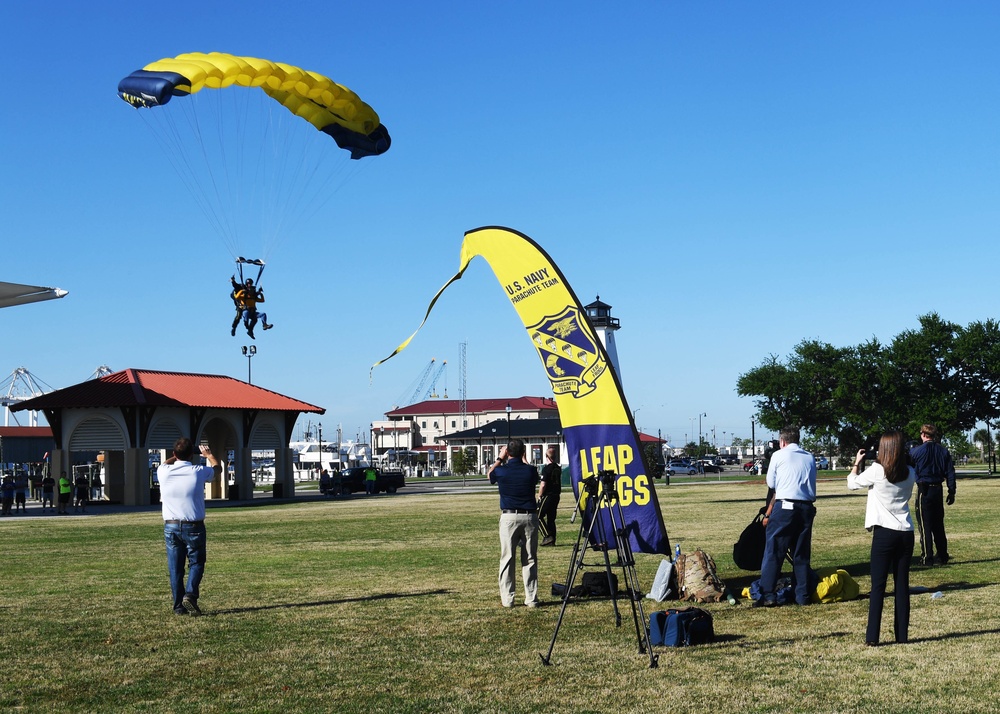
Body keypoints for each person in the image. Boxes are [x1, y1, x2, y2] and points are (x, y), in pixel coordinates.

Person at [847, 431, 916, 646]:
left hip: (884, 533)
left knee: (878, 586)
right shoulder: (911, 472)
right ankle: (902, 636)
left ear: (884, 449)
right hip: (905, 532)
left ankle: (872, 637)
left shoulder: (877, 471)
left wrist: (857, 463)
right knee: (901, 585)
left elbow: (852, 483)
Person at [755, 426, 817, 607]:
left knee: (774, 550)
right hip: (806, 507)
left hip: (785, 506)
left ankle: (768, 594)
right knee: (801, 553)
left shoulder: (779, 455)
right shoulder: (809, 456)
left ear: (782, 441)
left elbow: (771, 483)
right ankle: (802, 595)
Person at [157, 437, 220, 616]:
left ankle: (178, 606)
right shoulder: (197, 471)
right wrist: (209, 455)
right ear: (192, 455)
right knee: (197, 562)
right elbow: (217, 470)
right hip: (193, 525)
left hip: (171, 525)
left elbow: (165, 463)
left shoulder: (164, 471)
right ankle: (190, 594)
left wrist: (174, 457)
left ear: (174, 454)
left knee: (175, 567)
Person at [488, 439, 540, 608]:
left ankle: (508, 599)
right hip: (529, 516)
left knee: (507, 558)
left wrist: (500, 458)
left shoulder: (501, 471)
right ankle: (531, 598)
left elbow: (490, 474)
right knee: (530, 558)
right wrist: (523, 458)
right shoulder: (530, 471)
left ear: (508, 453)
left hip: (509, 517)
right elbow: (534, 475)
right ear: (523, 452)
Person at [909, 424, 956, 566]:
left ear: (923, 434)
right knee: (938, 524)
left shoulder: (916, 452)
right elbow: (950, 473)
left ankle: (927, 557)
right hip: (938, 489)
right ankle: (942, 555)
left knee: (925, 525)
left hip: (924, 489)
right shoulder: (943, 451)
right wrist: (951, 491)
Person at [538, 445, 562, 546]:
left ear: (546, 456)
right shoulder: (558, 468)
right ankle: (552, 540)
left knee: (537, 516)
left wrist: (540, 495)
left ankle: (547, 536)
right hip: (556, 495)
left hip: (548, 495)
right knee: (551, 519)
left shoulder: (547, 469)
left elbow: (543, 484)